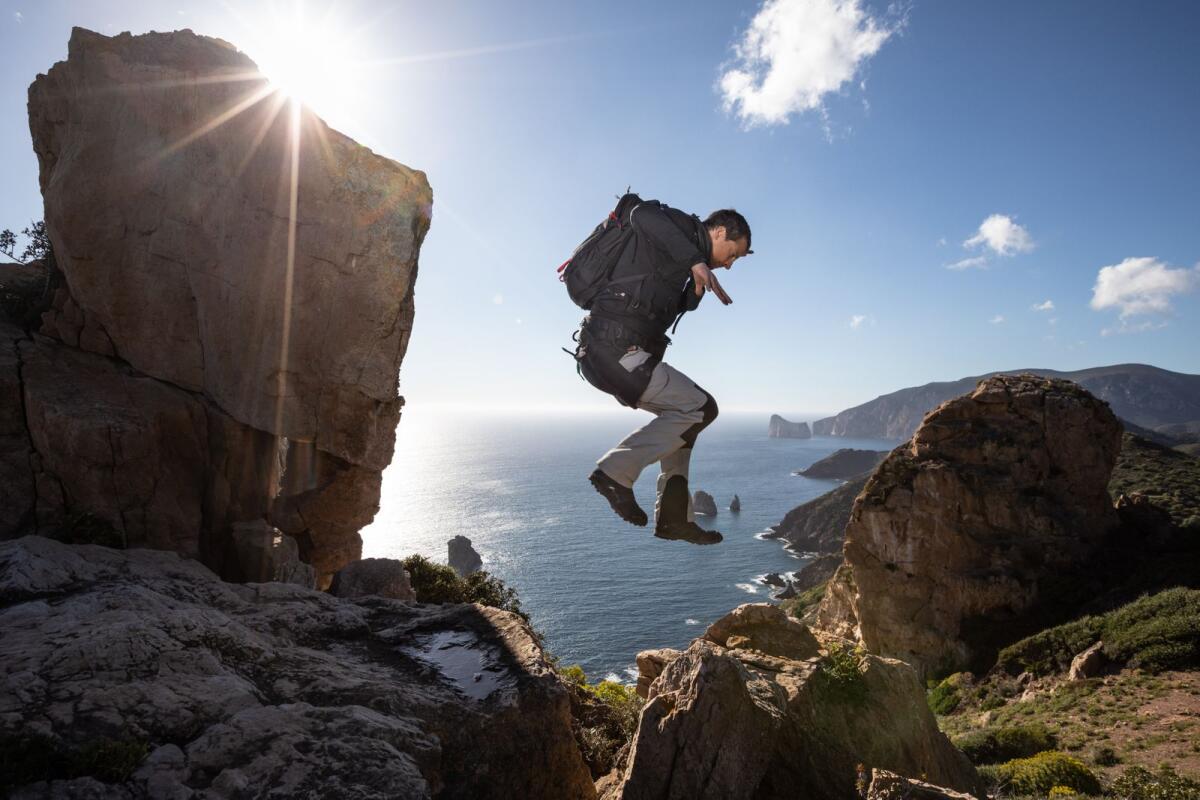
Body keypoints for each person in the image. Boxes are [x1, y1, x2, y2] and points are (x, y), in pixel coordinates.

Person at [572, 200, 751, 545]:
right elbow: (642, 214)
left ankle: (673, 518)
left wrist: (693, 294)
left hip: (612, 353)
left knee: (687, 421)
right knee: (701, 408)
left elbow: (652, 301)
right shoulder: (680, 227)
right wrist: (696, 260)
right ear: (718, 232)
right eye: (733, 254)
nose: (730, 265)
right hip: (614, 350)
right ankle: (614, 472)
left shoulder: (678, 257)